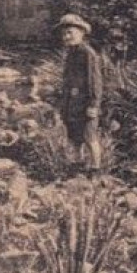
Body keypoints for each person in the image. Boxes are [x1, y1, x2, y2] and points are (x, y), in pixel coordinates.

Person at [56, 13, 104, 173]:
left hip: (85, 103)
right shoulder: (71, 54)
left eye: (70, 32)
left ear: (81, 33)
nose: (66, 36)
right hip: (72, 104)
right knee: (74, 137)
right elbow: (67, 81)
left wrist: (94, 104)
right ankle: (78, 166)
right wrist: (63, 103)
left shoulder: (88, 54)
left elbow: (95, 81)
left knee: (90, 137)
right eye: (64, 34)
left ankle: (96, 169)